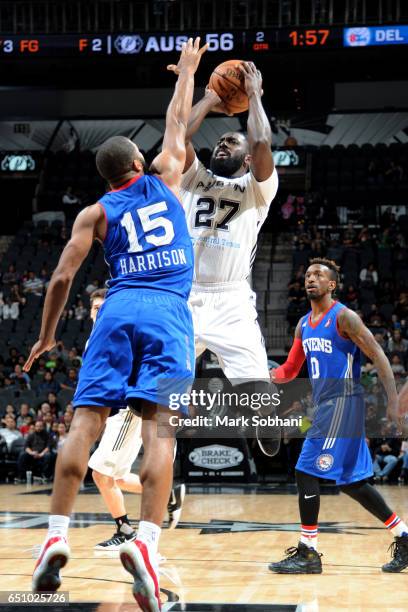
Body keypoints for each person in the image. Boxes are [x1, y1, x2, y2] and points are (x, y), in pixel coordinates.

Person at [24, 37, 207, 610]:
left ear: (108, 179)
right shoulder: (166, 176)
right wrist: (188, 73)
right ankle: (146, 546)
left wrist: (49, 333)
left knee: (84, 425)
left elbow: (59, 279)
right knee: (160, 432)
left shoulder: (94, 212)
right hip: (168, 313)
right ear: (139, 164)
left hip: (118, 307)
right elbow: (177, 120)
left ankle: (55, 538)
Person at [268, 258, 408, 574]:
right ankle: (404, 536)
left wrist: (392, 404)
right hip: (330, 405)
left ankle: (308, 552)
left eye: (318, 275)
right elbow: (290, 370)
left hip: (343, 402)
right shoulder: (303, 324)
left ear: (332, 284)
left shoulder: (344, 318)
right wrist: (268, 374)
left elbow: (380, 356)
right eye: (307, 275)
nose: (310, 279)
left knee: (305, 471)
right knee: (353, 483)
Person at [177, 61, 280, 455]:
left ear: (247, 160)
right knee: (155, 391)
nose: (223, 144)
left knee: (260, 399)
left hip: (231, 300)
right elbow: (178, 136)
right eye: (220, 141)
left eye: (232, 143)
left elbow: (260, 143)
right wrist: (209, 97)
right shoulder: (194, 177)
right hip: (184, 295)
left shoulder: (258, 191)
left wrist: (253, 95)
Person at [87, 289, 185, 552]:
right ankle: (166, 495)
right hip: (114, 412)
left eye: (102, 307)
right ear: (89, 312)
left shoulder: (119, 332)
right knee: (114, 479)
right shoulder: (94, 338)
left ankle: (125, 530)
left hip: (127, 410)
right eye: (95, 308)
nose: (99, 311)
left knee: (100, 474)